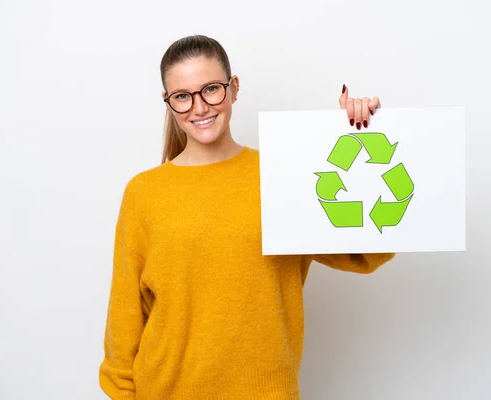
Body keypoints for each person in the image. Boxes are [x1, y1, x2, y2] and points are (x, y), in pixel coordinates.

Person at [98, 34, 395, 400]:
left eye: (211, 89)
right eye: (182, 96)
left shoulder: (283, 175)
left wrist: (361, 133)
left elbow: (366, 253)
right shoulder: (144, 194)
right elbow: (125, 316)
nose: (199, 107)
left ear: (234, 88)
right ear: (169, 103)